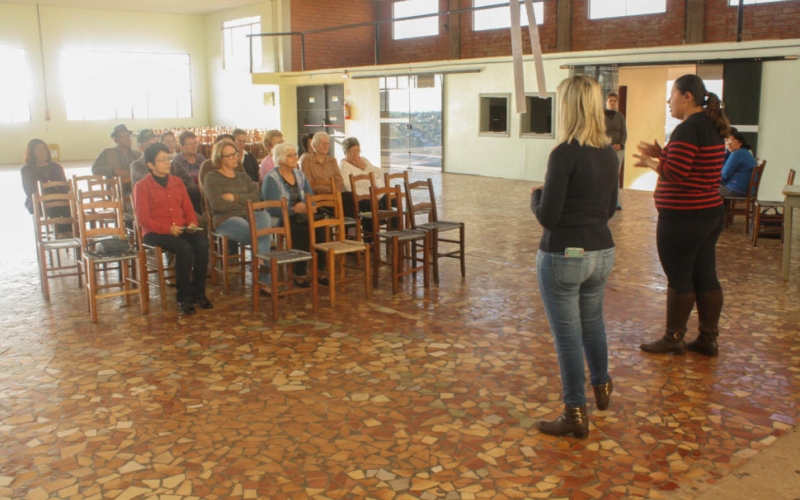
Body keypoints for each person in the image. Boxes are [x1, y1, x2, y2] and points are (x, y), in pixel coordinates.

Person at [530, 75, 618, 439]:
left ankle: (574, 413)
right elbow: (610, 207)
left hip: (565, 255)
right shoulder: (609, 153)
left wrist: (535, 196)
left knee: (568, 337)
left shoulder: (564, 153)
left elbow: (549, 216)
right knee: (593, 322)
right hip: (601, 250)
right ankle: (602, 384)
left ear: (567, 108)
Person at [633, 74, 730, 357]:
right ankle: (708, 337)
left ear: (687, 96)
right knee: (705, 276)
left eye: (672, 95)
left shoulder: (687, 128)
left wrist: (652, 162)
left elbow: (676, 173)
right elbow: (693, 166)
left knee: (679, 278)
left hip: (684, 218)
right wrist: (663, 153)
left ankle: (674, 337)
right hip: (709, 214)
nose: (668, 101)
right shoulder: (710, 125)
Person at [133, 143, 212, 316]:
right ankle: (183, 296)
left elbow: (187, 208)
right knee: (183, 248)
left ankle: (199, 292)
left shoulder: (176, 182)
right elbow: (143, 219)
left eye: (167, 159)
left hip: (180, 228)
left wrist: (191, 222)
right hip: (154, 233)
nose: (167, 163)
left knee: (201, 243)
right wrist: (168, 229)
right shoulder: (142, 186)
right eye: (161, 160)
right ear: (151, 165)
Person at [204, 139, 272, 281]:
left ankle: (258, 263)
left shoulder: (243, 176)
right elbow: (218, 205)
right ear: (219, 158)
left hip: (249, 216)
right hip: (225, 220)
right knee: (263, 235)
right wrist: (244, 203)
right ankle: (264, 280)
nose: (234, 157)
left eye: (234, 153)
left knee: (264, 216)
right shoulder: (212, 177)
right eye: (229, 155)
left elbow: (256, 198)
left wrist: (233, 197)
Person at [261, 142, 324, 287]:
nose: (295, 157)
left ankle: (320, 269)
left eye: (295, 154)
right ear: (281, 158)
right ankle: (299, 272)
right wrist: (296, 209)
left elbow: (310, 197)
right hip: (281, 216)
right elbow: (273, 207)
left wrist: (308, 207)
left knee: (318, 226)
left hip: (302, 213)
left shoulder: (299, 174)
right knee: (299, 227)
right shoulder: (272, 178)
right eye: (291, 155)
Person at [339, 136, 388, 233]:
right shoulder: (344, 167)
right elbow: (348, 187)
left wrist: (366, 168)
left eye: (357, 151)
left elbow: (379, 174)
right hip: (358, 197)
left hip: (373, 193)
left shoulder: (363, 160)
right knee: (369, 204)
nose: (356, 155)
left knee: (391, 199)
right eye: (352, 152)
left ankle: (394, 234)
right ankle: (370, 238)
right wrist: (370, 195)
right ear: (345, 153)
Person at [21, 139, 68, 215]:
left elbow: (65, 186)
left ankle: (66, 225)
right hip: (38, 201)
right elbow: (30, 191)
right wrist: (51, 189)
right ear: (32, 153)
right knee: (55, 209)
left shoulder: (56, 167)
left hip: (58, 199)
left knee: (67, 208)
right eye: (38, 150)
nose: (43, 152)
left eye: (44, 149)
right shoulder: (26, 170)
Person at [301, 132, 349, 207]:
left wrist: (336, 190)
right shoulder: (307, 160)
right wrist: (329, 189)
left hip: (333, 194)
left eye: (327, 143)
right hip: (317, 195)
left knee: (349, 196)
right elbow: (308, 183)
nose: (326, 146)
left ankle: (345, 219)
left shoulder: (332, 160)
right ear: (314, 145)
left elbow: (339, 180)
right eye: (323, 143)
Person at [605, 92, 627, 210]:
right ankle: (604, 199)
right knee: (604, 173)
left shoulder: (620, 116)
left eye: (614, 100)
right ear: (606, 101)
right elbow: (599, 131)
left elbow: (624, 132)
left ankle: (615, 201)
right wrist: (607, 144)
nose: (612, 103)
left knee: (615, 174)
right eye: (610, 100)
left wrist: (621, 144)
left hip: (618, 149)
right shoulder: (601, 115)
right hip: (605, 148)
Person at [719, 128, 756, 197]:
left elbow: (724, 175)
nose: (728, 144)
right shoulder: (744, 151)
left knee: (708, 193)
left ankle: (720, 207)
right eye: (726, 141)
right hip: (746, 189)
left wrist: (711, 183)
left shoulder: (737, 154)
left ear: (740, 142)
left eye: (731, 141)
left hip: (737, 189)